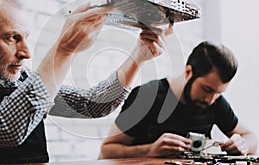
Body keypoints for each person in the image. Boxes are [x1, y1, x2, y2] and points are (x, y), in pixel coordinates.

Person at [0, 0, 171, 164]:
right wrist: (64, 50)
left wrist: (138, 56)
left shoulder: (21, 79)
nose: (26, 52)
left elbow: (91, 104)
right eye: (13, 37)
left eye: (25, 38)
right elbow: (4, 128)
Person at [99, 40, 258, 159]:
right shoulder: (147, 96)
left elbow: (251, 138)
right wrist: (149, 150)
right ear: (188, 72)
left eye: (218, 93)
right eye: (207, 89)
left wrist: (242, 144)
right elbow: (106, 152)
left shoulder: (215, 101)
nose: (210, 100)